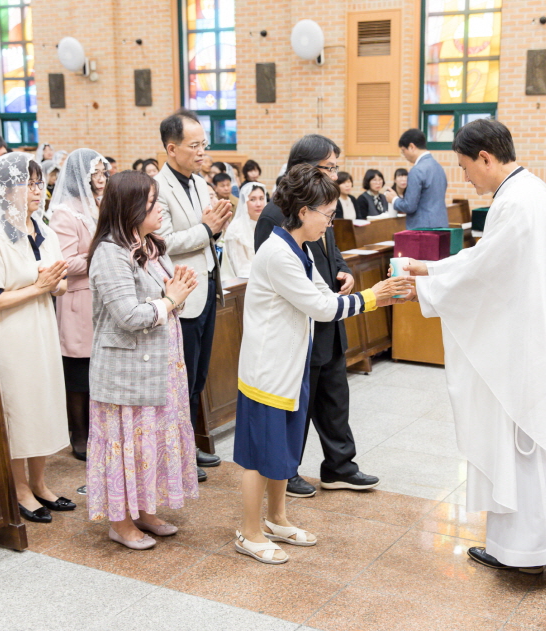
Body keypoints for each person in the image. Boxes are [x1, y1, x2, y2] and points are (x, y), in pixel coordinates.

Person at [402, 119, 546, 572]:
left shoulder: (515, 201)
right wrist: (432, 270)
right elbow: (488, 259)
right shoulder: (530, 191)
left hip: (530, 344)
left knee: (529, 438)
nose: (465, 178)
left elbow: (487, 273)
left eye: (465, 167)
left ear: (485, 157)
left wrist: (425, 289)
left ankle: (526, 549)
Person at [234, 164, 412, 564]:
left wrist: (365, 294)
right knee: (260, 456)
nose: (330, 223)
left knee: (283, 451)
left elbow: (323, 293)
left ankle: (276, 518)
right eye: (327, 215)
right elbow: (321, 307)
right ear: (303, 211)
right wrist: (373, 297)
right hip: (268, 370)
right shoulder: (277, 253)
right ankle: (248, 532)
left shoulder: (298, 248)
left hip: (291, 365)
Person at [254, 135, 379, 498]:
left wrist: (343, 271)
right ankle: (286, 471)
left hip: (329, 314)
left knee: (335, 397)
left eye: (336, 167)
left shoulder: (322, 203)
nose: (335, 174)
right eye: (329, 167)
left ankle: (340, 467)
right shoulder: (276, 213)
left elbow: (330, 249)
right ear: (304, 167)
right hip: (302, 321)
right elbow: (281, 272)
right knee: (300, 402)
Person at [87, 170, 201, 550]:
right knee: (125, 445)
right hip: (126, 370)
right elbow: (128, 315)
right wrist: (170, 300)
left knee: (149, 442)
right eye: (151, 203)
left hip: (160, 364)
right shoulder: (109, 252)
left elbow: (167, 298)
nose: (158, 208)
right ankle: (119, 523)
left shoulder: (151, 245)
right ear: (130, 207)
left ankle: (145, 511)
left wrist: (176, 293)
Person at [0, 152, 74, 524]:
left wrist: (55, 285)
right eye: (28, 183)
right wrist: (39, 287)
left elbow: (61, 283)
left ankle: (40, 483)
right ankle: (20, 490)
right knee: (19, 411)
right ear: (5, 191)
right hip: (12, 336)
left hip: (43, 329)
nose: (36, 190)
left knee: (42, 405)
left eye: (38, 182)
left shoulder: (44, 231)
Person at [154, 109, 233, 481]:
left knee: (199, 374)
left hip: (207, 286)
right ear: (172, 148)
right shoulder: (157, 188)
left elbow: (208, 232)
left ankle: (189, 443)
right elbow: (164, 242)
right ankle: (176, 453)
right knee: (180, 378)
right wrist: (206, 228)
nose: (203, 152)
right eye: (194, 145)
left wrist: (218, 226)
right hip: (181, 292)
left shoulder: (200, 183)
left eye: (204, 144)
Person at [49, 148, 110, 461]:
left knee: (99, 369)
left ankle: (99, 430)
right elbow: (64, 261)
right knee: (78, 373)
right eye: (94, 173)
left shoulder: (102, 205)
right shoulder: (65, 212)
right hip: (77, 299)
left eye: (102, 172)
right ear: (79, 176)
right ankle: (79, 435)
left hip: (101, 297)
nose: (100, 179)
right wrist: (102, 255)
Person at [384, 128, 449, 229]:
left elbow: (409, 206)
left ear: (411, 147)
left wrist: (394, 200)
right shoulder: (438, 166)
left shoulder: (417, 170)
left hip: (423, 229)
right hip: (441, 225)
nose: (404, 155)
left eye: (403, 151)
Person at [223, 182, 266, 278]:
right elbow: (241, 268)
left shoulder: (267, 225)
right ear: (244, 202)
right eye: (252, 199)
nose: (258, 204)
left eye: (261, 198)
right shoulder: (235, 230)